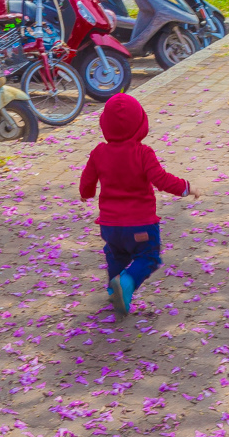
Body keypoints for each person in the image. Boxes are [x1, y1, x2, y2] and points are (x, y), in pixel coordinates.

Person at [80, 93, 202, 320]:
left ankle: (114, 289)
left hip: (110, 226)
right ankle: (125, 284)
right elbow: (162, 180)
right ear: (140, 124)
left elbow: (87, 180)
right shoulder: (143, 153)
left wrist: (85, 194)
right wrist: (187, 187)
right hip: (140, 225)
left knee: (116, 256)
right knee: (149, 257)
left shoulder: (99, 152)